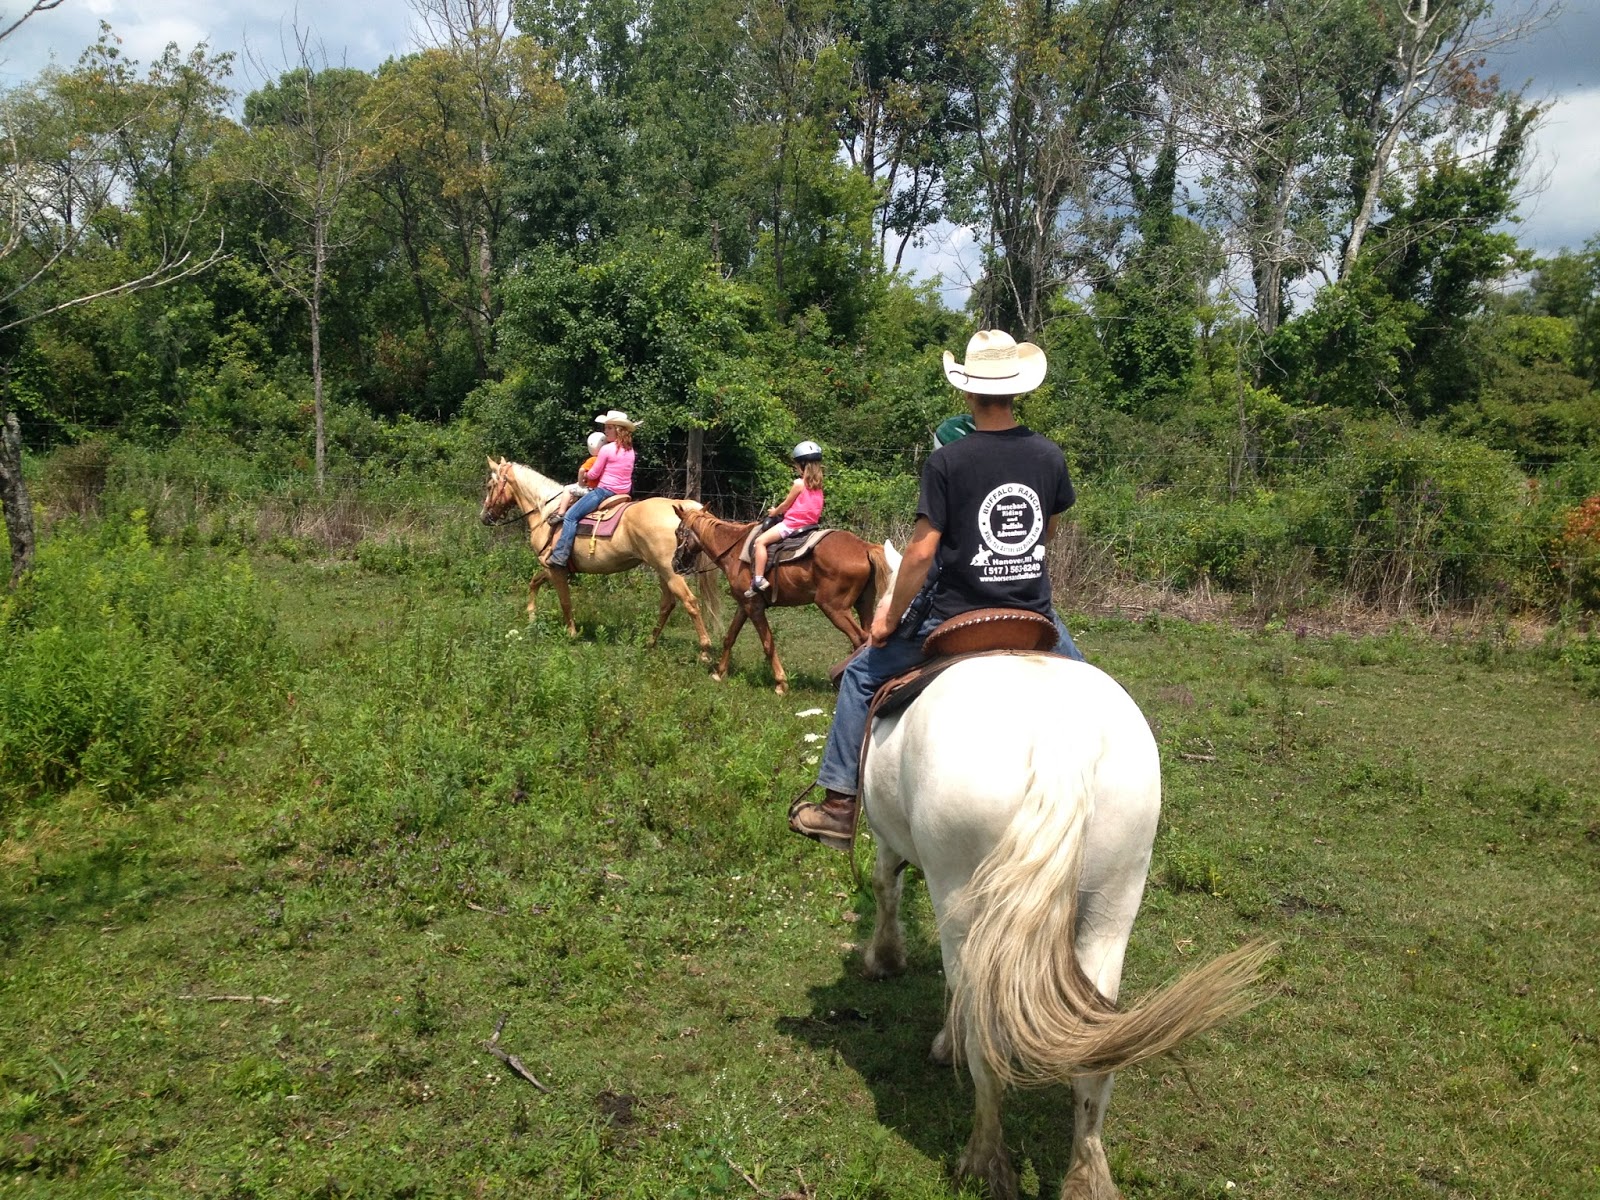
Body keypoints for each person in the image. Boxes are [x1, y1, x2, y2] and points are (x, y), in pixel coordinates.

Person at [790, 330, 1087, 852]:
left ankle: (838, 806)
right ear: (1018, 389)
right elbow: (1046, 530)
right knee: (1091, 688)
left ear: (967, 390)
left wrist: (886, 619)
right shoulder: (1048, 455)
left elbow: (922, 552)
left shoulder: (947, 461)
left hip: (957, 615)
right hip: (1032, 615)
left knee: (859, 676)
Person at [545, 410, 638, 570]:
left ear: (618, 430)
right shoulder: (630, 450)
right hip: (623, 493)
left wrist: (584, 475)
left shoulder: (607, 449)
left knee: (570, 516)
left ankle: (560, 555)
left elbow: (594, 474)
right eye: (606, 427)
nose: (605, 431)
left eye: (609, 428)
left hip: (604, 492)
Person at [746, 440, 826, 598]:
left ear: (802, 465)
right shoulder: (818, 485)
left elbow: (785, 505)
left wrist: (774, 512)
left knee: (760, 542)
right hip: (811, 524)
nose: (795, 468)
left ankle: (758, 579)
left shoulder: (799, 483)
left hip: (791, 525)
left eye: (796, 464)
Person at [550, 430, 609, 523]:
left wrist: (581, 483)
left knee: (567, 488)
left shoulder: (593, 459)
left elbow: (582, 470)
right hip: (603, 489)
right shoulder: (606, 459)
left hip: (591, 490)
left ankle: (561, 513)